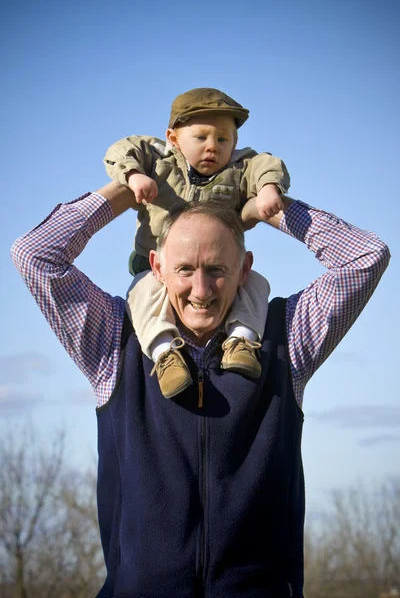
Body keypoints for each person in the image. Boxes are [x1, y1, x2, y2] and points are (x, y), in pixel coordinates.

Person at [11, 181, 390, 597]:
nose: (201, 290)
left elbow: (365, 258)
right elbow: (35, 255)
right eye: (185, 270)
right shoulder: (115, 340)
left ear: (245, 269)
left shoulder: (285, 338)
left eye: (217, 270)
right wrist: (125, 192)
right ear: (156, 267)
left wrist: (274, 208)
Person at [103, 87, 291, 398]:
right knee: (144, 293)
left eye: (223, 139)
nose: (212, 147)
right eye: (201, 137)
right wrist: (134, 176)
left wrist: (269, 189)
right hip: (159, 269)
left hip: (220, 269)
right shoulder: (159, 159)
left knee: (257, 284)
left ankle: (241, 340)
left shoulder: (238, 169)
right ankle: (165, 353)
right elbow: (121, 151)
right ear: (173, 137)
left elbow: (266, 165)